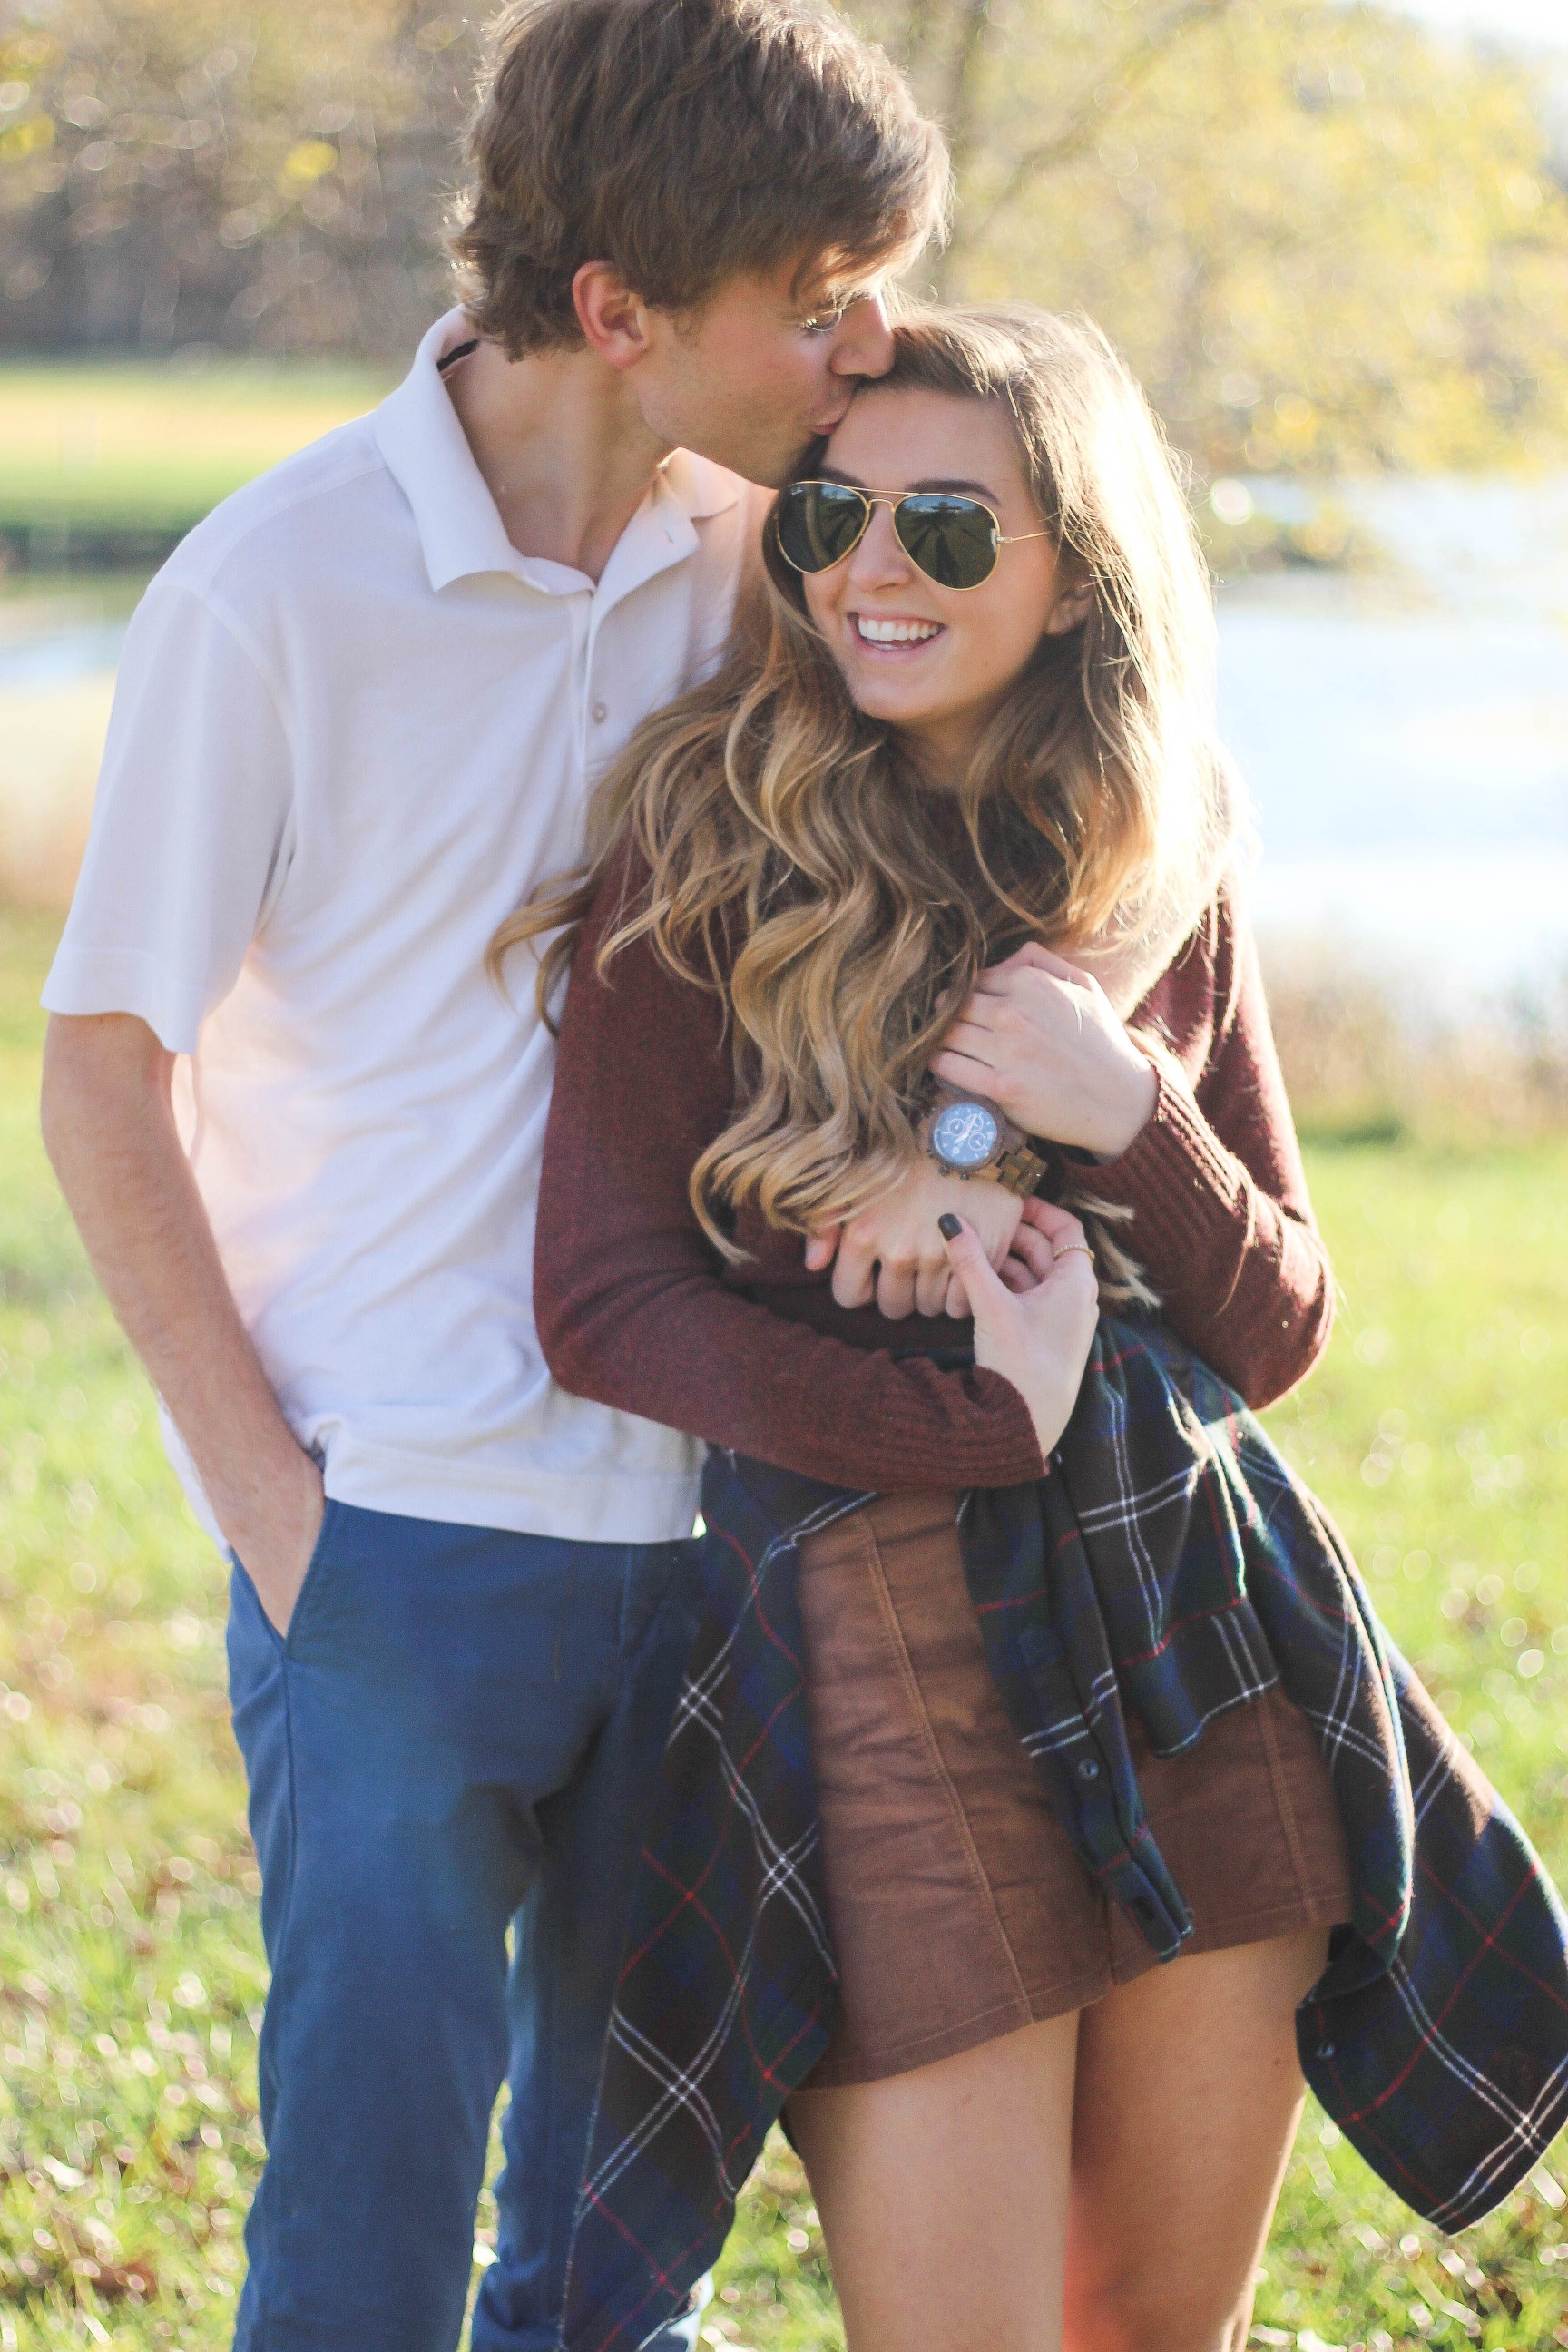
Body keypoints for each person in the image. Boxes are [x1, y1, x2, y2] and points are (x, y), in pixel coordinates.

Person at [36, 4, 954, 2346]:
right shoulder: (275, 591)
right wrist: (285, 1524)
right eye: (822, 294)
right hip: (395, 1542)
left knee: (616, 2268)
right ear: (622, 314)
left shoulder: (771, 564)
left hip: (708, 1529)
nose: (876, 343)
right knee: (359, 2263)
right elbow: (103, 1072)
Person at [512, 306, 1367, 2348]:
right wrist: (950, 1358)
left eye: (950, 530)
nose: (869, 572)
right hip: (875, 1633)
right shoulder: (707, 838)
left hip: (1185, 1620)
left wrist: (1124, 1114)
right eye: (831, 514)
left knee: (1160, 2328)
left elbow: (1276, 1322)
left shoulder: (1168, 850)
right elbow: (603, 1296)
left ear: (1078, 568)